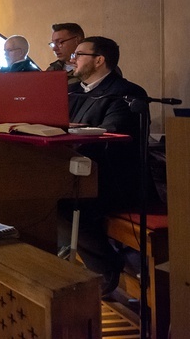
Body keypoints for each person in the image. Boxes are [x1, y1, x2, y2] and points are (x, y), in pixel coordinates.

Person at [64, 36, 148, 295]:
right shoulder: (74, 92)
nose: (72, 60)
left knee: (63, 203)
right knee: (39, 196)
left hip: (115, 179)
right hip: (78, 171)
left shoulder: (127, 93)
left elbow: (110, 134)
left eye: (79, 54)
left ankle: (105, 268)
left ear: (99, 60)